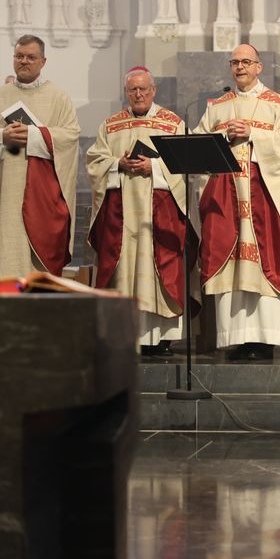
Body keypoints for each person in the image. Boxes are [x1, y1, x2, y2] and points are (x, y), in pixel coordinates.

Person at [194, 44, 280, 360]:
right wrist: (222, 139)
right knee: (233, 270)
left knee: (265, 266)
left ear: (259, 67)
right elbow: (197, 146)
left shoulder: (278, 106)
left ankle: (266, 339)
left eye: (246, 62)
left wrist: (253, 134)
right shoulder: (217, 107)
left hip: (266, 205)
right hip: (228, 205)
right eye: (234, 62)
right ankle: (237, 337)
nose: (240, 67)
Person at [87, 68, 194, 354]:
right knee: (123, 274)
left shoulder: (172, 124)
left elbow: (188, 167)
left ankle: (161, 338)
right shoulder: (110, 126)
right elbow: (95, 162)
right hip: (122, 219)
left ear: (154, 90)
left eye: (143, 89)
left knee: (158, 272)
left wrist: (154, 167)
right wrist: (117, 164)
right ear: (126, 92)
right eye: (133, 90)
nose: (138, 95)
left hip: (158, 217)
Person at [0, 34, 80, 280]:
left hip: (42, 198)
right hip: (4, 198)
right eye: (19, 56)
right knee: (5, 263)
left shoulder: (58, 97)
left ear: (43, 61)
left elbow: (70, 138)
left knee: (35, 274)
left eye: (31, 57)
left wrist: (33, 135)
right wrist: (0, 136)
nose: (24, 61)